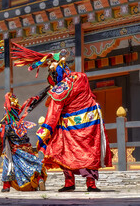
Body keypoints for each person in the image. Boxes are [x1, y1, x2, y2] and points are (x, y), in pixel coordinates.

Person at [12, 44, 112, 192]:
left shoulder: (61, 89)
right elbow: (90, 95)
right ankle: (87, 184)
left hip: (72, 123)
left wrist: (44, 131)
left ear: (60, 65)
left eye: (52, 67)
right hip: (90, 120)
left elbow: (54, 111)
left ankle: (72, 183)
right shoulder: (81, 77)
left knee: (64, 150)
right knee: (87, 150)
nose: (50, 70)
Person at [0, 92, 47, 192]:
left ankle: (6, 186)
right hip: (27, 148)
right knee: (31, 165)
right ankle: (39, 179)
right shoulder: (21, 124)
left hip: (15, 151)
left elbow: (1, 136)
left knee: (8, 165)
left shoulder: (7, 125)